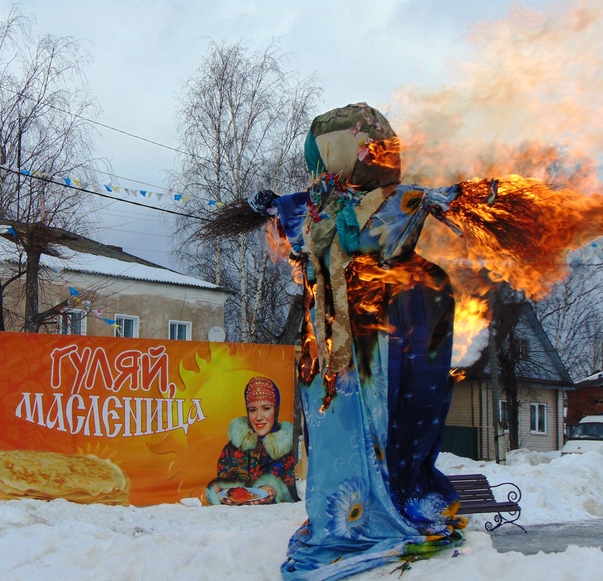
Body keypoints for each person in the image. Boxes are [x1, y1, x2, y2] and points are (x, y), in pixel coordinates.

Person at [200, 103, 482, 579]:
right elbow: (289, 243)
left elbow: (440, 206)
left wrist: (466, 199)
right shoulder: (306, 206)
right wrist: (263, 209)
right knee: (337, 438)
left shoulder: (398, 199)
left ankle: (386, 508)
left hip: (382, 339)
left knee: (389, 424)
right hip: (329, 351)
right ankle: (343, 517)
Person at [205, 376, 299, 505]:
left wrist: (274, 491)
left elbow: (296, 491)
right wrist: (221, 490)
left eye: (266, 408)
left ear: (276, 410)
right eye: (253, 410)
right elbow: (223, 479)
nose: (259, 417)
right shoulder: (233, 449)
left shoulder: (288, 448)